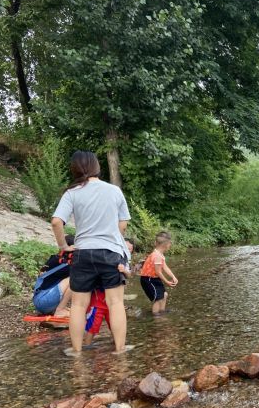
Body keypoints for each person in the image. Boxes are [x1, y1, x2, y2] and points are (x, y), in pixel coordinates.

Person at [51, 150, 132, 354]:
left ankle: (76, 352)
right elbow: (123, 224)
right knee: (115, 303)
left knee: (78, 306)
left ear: (76, 169)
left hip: (83, 253)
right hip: (110, 252)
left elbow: (56, 222)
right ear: (96, 167)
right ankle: (120, 350)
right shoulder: (114, 191)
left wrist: (64, 246)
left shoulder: (72, 193)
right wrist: (112, 234)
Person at [32, 234, 75, 317]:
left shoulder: (55, 259)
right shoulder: (65, 263)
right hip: (44, 301)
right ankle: (60, 310)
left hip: (40, 299)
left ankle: (58, 308)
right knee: (76, 278)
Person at [139, 231, 178, 315]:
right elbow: (158, 271)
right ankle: (156, 317)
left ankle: (162, 312)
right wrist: (167, 281)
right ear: (167, 244)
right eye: (170, 243)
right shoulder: (156, 256)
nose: (170, 245)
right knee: (158, 299)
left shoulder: (159, 254)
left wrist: (173, 276)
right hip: (148, 279)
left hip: (154, 278)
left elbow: (165, 267)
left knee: (164, 295)